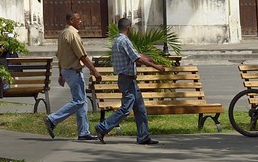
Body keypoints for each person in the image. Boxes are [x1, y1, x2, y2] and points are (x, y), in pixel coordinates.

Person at [94, 15, 168, 145]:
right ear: (128, 28)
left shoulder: (117, 41)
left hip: (127, 79)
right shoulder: (125, 41)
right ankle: (102, 127)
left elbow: (132, 57)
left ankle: (143, 136)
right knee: (126, 109)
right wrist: (156, 66)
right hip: (127, 80)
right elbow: (136, 58)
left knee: (140, 109)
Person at [43, 12, 100, 141]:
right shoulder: (73, 34)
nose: (81, 22)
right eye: (78, 19)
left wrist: (61, 73)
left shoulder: (63, 33)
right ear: (71, 20)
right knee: (79, 101)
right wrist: (94, 71)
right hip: (73, 71)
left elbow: (60, 55)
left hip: (67, 70)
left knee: (82, 101)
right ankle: (52, 119)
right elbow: (82, 56)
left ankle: (83, 132)